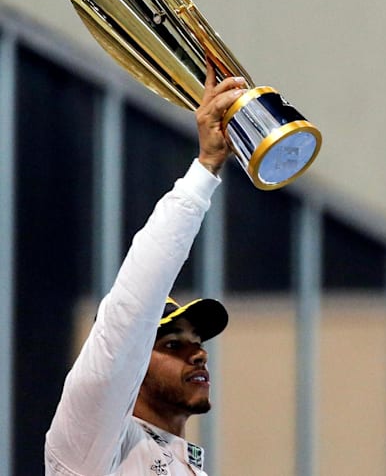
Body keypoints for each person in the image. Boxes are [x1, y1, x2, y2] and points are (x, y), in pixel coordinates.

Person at [44, 67, 249, 476]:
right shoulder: (89, 446)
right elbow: (132, 309)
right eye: (172, 345)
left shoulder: (185, 466)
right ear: (133, 365)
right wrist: (205, 169)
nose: (199, 353)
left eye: (195, 342)